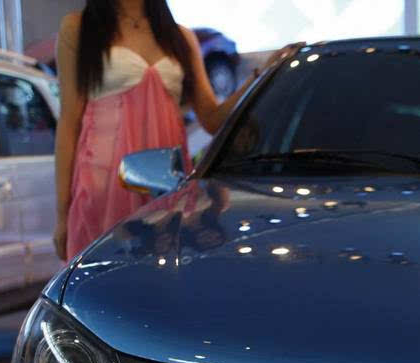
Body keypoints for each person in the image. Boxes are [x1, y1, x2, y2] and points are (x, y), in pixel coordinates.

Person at [53, 0, 281, 260]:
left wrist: (259, 75)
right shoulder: (79, 28)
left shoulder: (180, 36)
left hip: (165, 185)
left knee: (163, 270)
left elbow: (211, 119)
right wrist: (62, 215)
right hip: (105, 183)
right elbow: (69, 122)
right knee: (104, 272)